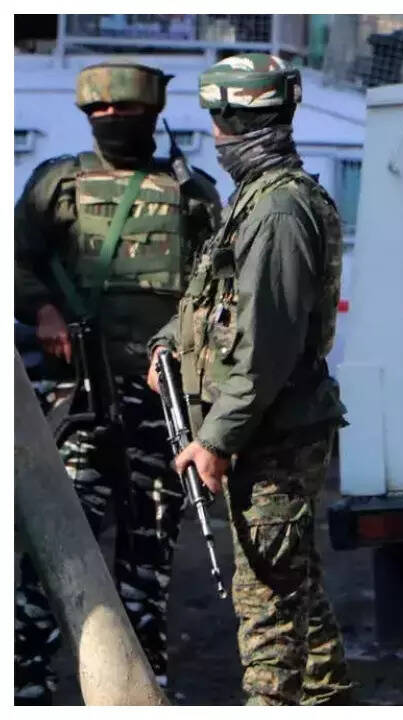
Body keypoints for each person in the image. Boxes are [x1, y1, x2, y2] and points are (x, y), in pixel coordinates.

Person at [13, 61, 222, 704]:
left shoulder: (191, 195)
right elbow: (14, 261)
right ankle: (24, 683)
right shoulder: (59, 186)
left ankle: (142, 691)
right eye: (97, 112)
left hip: (163, 404)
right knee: (55, 550)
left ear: (152, 115)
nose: (110, 121)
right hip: (79, 400)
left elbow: (219, 292)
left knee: (148, 559)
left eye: (123, 112)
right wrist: (42, 309)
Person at [147, 53, 351, 705]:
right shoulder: (257, 200)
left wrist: (216, 439)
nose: (215, 135)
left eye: (221, 120)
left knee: (268, 611)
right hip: (264, 429)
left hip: (275, 435)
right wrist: (168, 345)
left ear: (237, 123)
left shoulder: (279, 210)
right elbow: (216, 304)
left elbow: (267, 345)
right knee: (299, 596)